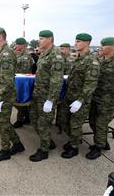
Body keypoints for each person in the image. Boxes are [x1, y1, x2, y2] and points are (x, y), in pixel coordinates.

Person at [59, 33, 100, 159]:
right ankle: (74, 139)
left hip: (80, 99)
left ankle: (74, 147)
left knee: (75, 124)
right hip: (70, 96)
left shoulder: (92, 61)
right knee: (63, 119)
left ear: (87, 43)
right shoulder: (78, 59)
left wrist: (80, 101)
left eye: (79, 41)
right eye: (75, 41)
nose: (75, 43)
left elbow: (90, 84)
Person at [0, 27, 24, 162]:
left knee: (1, 123)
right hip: (2, 92)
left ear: (0, 37)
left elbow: (8, 81)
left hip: (6, 94)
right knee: (3, 121)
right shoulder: (0, 52)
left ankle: (5, 150)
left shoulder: (7, 54)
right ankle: (17, 144)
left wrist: (0, 99)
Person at [28, 30, 64, 162]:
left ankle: (44, 151)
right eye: (39, 38)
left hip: (47, 96)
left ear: (50, 39)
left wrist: (50, 100)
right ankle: (48, 141)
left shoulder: (56, 55)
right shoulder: (44, 54)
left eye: (42, 38)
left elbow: (56, 80)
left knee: (43, 123)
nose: (39, 40)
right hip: (38, 94)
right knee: (33, 118)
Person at [13, 37, 34, 128]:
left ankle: (19, 120)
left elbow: (24, 71)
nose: (15, 46)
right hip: (19, 81)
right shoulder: (18, 54)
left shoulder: (25, 56)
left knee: (21, 101)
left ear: (22, 45)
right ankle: (27, 117)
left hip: (23, 82)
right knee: (20, 102)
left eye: (17, 44)